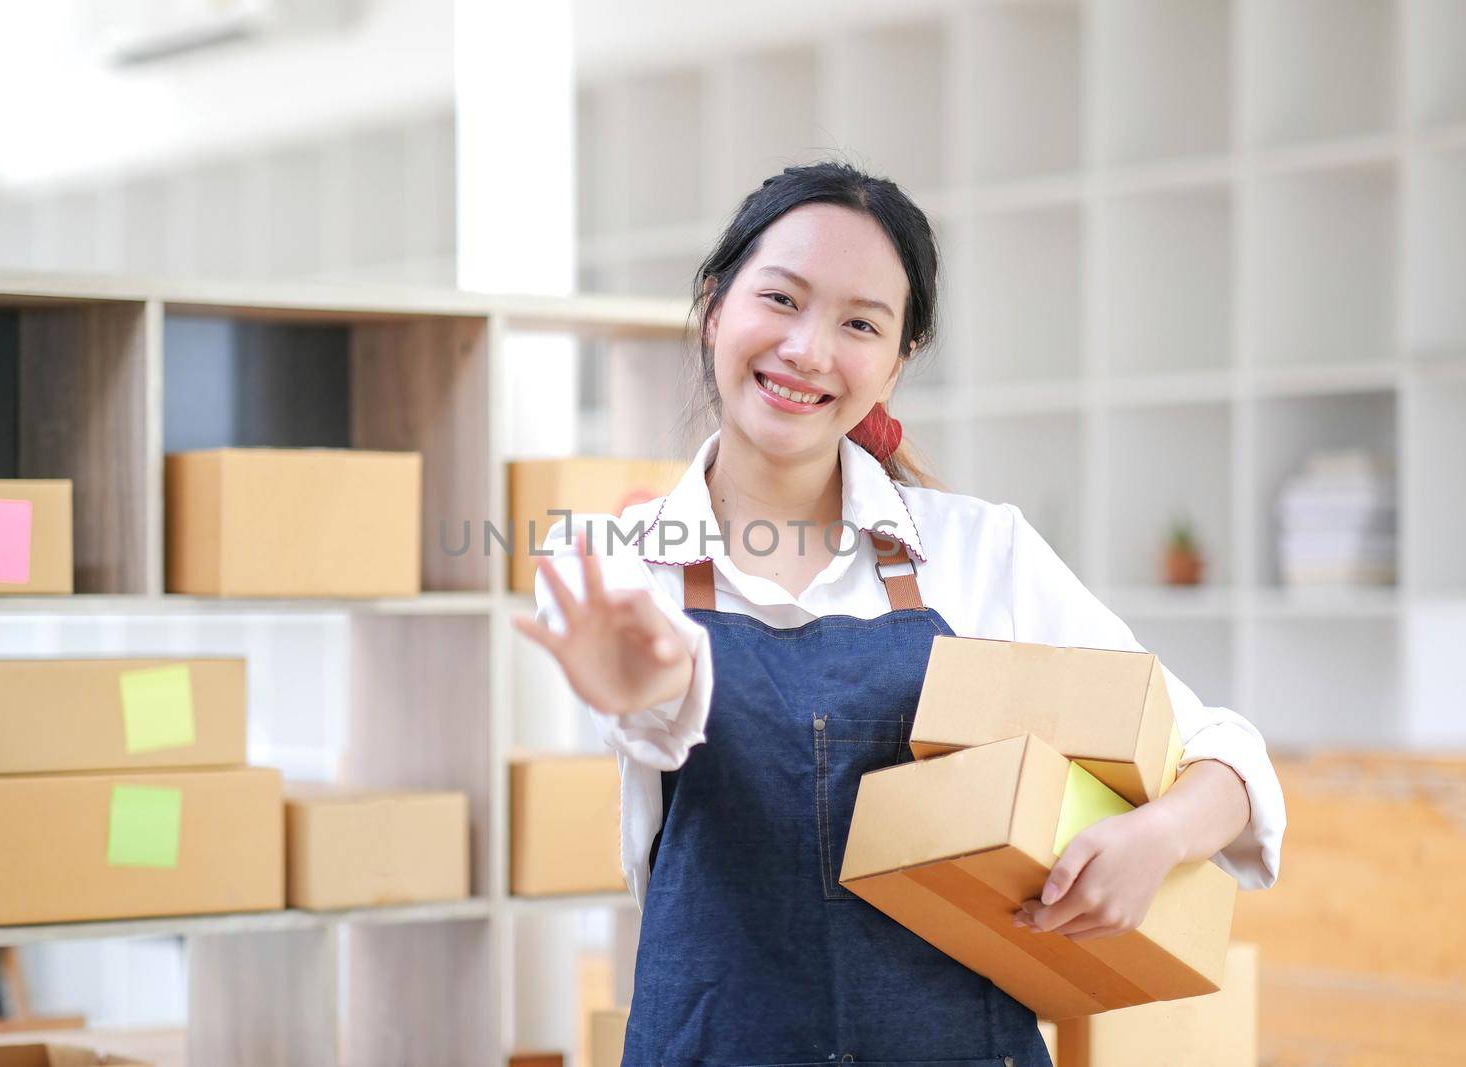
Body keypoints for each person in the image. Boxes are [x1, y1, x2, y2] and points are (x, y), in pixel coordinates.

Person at [511, 161, 1284, 1066]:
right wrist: (660, 683)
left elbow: (1225, 752)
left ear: (897, 358)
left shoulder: (978, 551)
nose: (807, 350)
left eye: (859, 324)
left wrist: (1158, 836)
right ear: (716, 305)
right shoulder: (617, 561)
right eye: (781, 299)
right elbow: (651, 710)